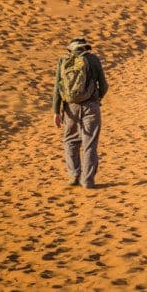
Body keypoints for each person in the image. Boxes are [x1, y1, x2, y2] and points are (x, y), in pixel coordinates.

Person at [52, 37, 109, 188]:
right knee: (89, 143)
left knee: (70, 140)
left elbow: (58, 87)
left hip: (70, 107)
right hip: (91, 106)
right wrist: (97, 98)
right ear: (86, 48)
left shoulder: (63, 61)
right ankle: (88, 180)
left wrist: (56, 111)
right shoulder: (93, 60)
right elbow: (103, 85)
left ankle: (74, 175)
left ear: (70, 49)